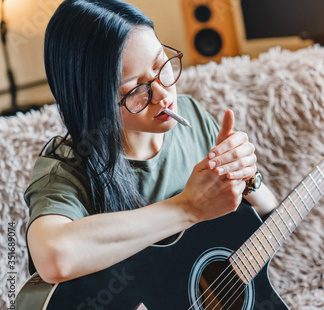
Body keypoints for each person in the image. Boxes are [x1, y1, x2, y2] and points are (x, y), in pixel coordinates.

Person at [25, 0, 278, 285]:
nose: (162, 95)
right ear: (91, 102)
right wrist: (188, 207)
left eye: (161, 65)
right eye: (135, 89)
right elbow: (54, 258)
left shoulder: (191, 114)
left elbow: (268, 210)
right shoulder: (66, 167)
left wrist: (246, 175)